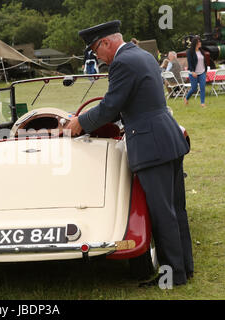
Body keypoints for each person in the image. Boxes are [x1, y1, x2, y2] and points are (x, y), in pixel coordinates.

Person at [65, 21, 194, 287]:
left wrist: (79, 123)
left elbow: (110, 107)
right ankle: (184, 269)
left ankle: (172, 277)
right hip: (167, 137)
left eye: (94, 50)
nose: (96, 57)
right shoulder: (142, 54)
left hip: (150, 145)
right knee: (176, 209)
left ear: (106, 43)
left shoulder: (121, 63)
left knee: (162, 212)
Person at [184, 36, 207, 107]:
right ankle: (186, 98)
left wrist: (205, 70)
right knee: (194, 89)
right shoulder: (190, 52)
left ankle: (202, 103)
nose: (200, 43)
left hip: (202, 72)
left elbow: (204, 61)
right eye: (199, 42)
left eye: (200, 41)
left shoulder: (202, 51)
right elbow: (190, 62)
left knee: (202, 87)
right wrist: (192, 71)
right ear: (195, 43)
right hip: (193, 73)